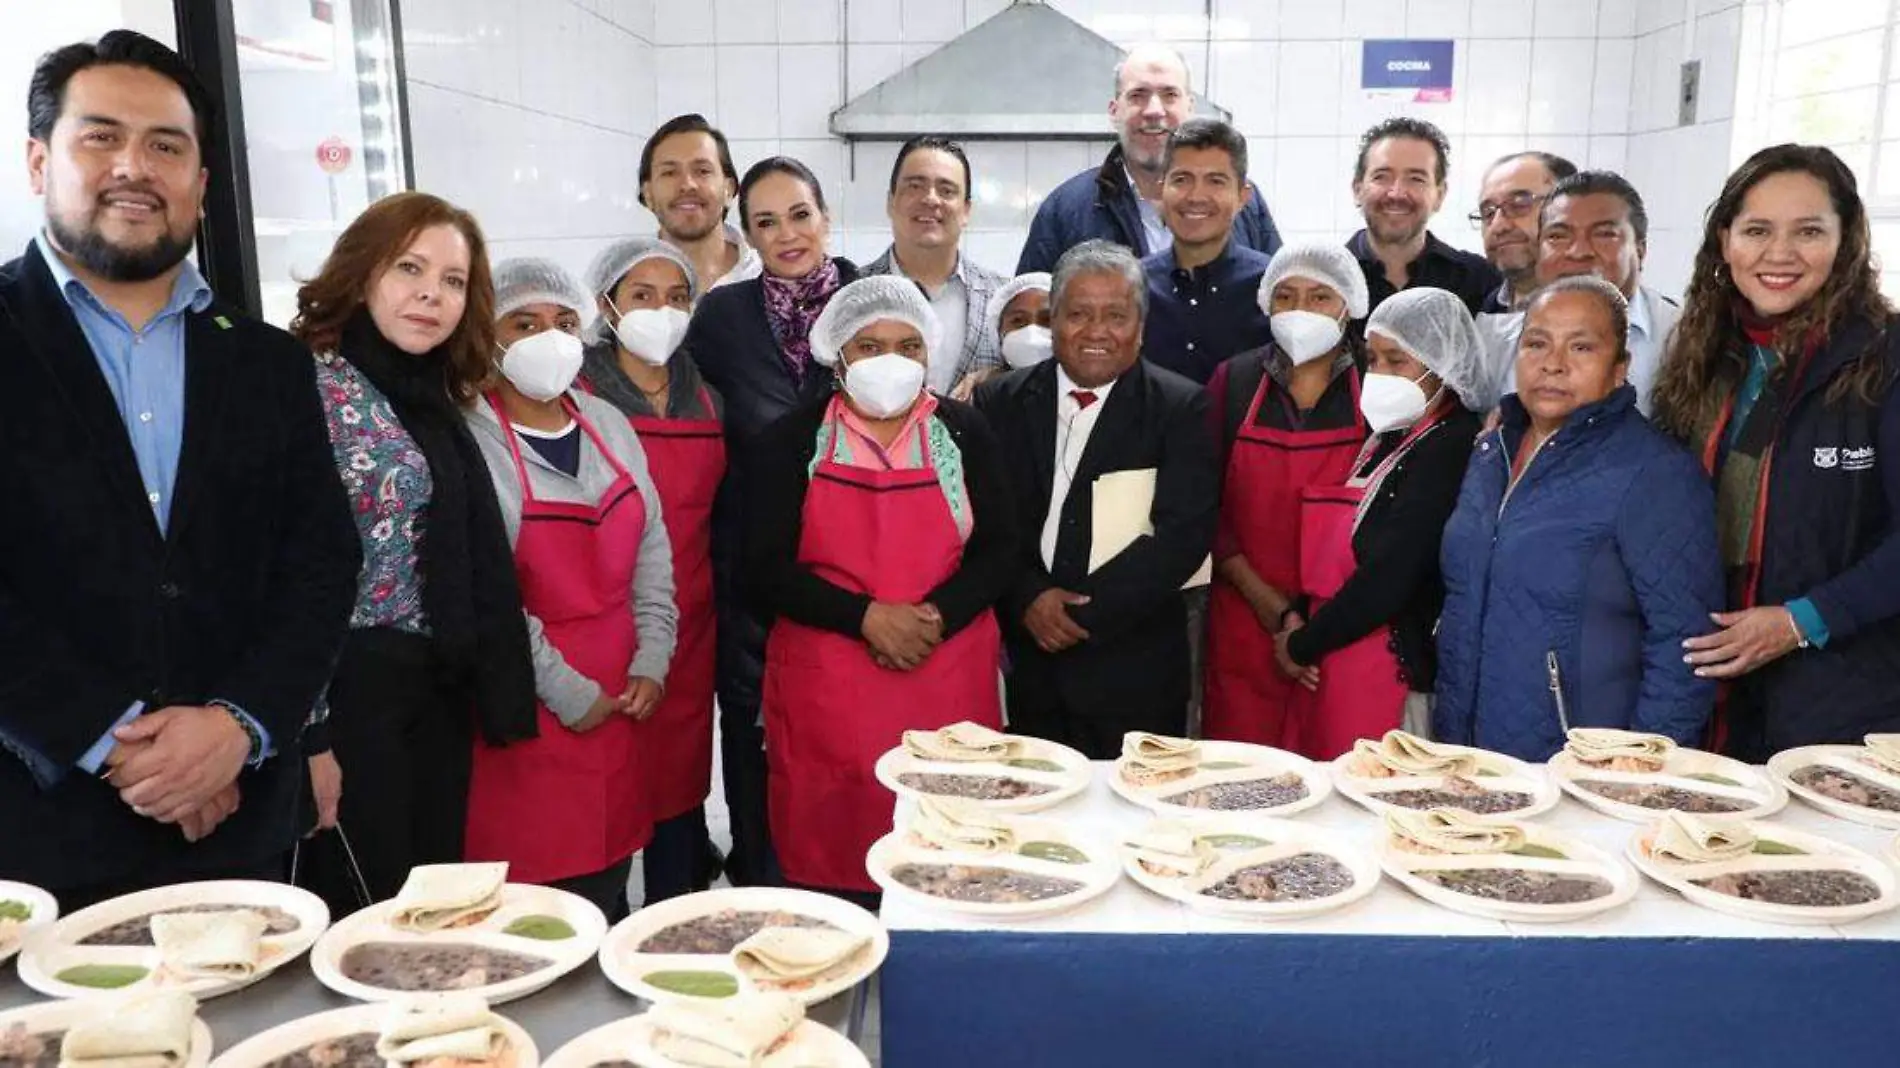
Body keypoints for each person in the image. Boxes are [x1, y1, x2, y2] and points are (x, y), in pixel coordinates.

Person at [0, 31, 358, 905]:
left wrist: (239, 727)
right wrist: (118, 745)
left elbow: (321, 560)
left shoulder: (266, 361)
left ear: (201, 183)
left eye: (167, 145)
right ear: (39, 160)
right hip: (37, 827)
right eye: (101, 136)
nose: (135, 166)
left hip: (242, 820)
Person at [290, 192, 537, 910]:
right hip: (346, 691)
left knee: (432, 907)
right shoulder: (311, 384)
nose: (431, 293)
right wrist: (311, 737)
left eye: (453, 281)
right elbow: (278, 575)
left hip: (433, 688)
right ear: (363, 272)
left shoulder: (434, 394)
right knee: (368, 914)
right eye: (410, 268)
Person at [748, 276, 1017, 898]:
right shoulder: (791, 442)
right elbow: (761, 567)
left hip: (945, 674)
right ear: (836, 354)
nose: (890, 361)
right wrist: (865, 617)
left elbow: (1001, 549)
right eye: (870, 346)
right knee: (834, 855)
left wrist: (934, 616)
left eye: (907, 346)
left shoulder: (964, 434)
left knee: (949, 855)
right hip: (831, 684)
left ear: (930, 354)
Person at [1652, 144, 1900, 760]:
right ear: (1724, 240)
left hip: (1845, 699)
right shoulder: (1705, 353)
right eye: (1757, 230)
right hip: (1709, 684)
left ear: (1847, 242)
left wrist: (1800, 622)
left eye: (1809, 231)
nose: (1779, 254)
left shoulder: (1887, 359)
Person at [461, 258, 677, 920]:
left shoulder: (605, 422)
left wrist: (653, 655)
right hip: (528, 710)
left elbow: (652, 545)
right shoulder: (469, 433)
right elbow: (485, 591)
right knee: (537, 910)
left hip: (622, 700)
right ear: (485, 337)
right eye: (523, 324)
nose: (547, 338)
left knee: (610, 878)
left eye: (562, 323)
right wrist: (566, 690)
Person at [1435, 276, 1721, 761]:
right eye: (1537, 343)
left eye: (1581, 347)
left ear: (1619, 368)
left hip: (1583, 763)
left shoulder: (1654, 471)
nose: (1553, 364)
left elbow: (1686, 644)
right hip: (1468, 752)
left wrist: (1641, 766)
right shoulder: (1492, 450)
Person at [682, 156, 858, 886]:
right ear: (746, 233)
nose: (787, 235)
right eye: (765, 222)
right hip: (752, 565)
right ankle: (760, 882)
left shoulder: (874, 298)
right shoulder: (722, 318)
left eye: (799, 214)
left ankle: (848, 882)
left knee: (843, 736)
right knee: (753, 738)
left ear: (825, 216)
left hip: (855, 560)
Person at [975, 240, 1218, 758]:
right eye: (1078, 314)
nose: (1096, 332)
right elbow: (991, 520)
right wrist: (1029, 600)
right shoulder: (1002, 400)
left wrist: (1080, 617)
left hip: (1134, 667)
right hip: (1028, 660)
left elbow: (1181, 537)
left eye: (1116, 315)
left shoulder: (1181, 407)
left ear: (1142, 327)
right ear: (1054, 320)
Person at [578, 237, 728, 903]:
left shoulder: (710, 400)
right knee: (601, 794)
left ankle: (674, 923)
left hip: (691, 623)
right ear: (607, 305)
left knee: (678, 789)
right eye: (642, 296)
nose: (660, 311)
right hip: (599, 623)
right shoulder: (574, 392)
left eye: (676, 297)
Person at [1274, 289, 1486, 757]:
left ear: (1443, 365)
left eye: (1397, 361)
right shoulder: (1388, 437)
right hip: (1336, 649)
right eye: (1373, 359)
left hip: (1388, 668)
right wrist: (1298, 613)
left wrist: (1302, 644)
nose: (1380, 375)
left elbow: (1394, 573)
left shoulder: (1450, 445)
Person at [1201, 243, 1370, 748]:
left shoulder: (1379, 385)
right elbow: (1205, 510)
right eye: (1286, 296)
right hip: (1244, 622)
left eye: (1320, 297)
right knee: (1241, 780)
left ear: (1351, 305)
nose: (1301, 310)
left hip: (1346, 626)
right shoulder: (1233, 382)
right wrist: (1277, 612)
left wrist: (1317, 629)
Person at [1017, 44, 1280, 274]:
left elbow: (1279, 296)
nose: (1154, 110)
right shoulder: (1065, 210)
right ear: (1114, 111)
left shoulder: (1242, 200)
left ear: (1189, 107)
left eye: (1169, 95)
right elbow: (1029, 315)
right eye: (1138, 95)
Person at [1486, 171, 1682, 415]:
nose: (1578, 252)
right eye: (1558, 236)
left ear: (1640, 251)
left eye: (1604, 234)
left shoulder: (1684, 336)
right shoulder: (1494, 341)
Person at [862, 135, 1006, 399]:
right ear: (890, 202)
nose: (930, 199)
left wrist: (1001, 376)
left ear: (966, 210)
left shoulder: (1004, 299)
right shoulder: (851, 292)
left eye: (947, 190)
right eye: (915, 186)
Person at [1140, 118, 1273, 385]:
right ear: (1160, 191)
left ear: (1242, 197)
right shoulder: (1131, 285)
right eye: (1182, 179)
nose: (1196, 196)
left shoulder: (1274, 288)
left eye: (1215, 181)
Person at [1346, 117, 1500, 317]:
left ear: (1440, 195)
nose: (1397, 193)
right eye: (1381, 176)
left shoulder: (1479, 281)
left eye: (1416, 179)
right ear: (1358, 190)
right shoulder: (1321, 282)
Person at [639, 113, 759, 294]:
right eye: (670, 172)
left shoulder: (769, 278)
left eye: (702, 171)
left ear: (729, 189)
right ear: (648, 194)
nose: (687, 185)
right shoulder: (624, 288)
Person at [1473, 151, 1577, 313]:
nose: (1498, 226)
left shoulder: (1602, 306)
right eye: (1488, 212)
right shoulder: (1480, 305)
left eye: (1520, 204)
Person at [989, 271, 1054, 371]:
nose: (1032, 335)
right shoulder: (979, 385)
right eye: (1018, 320)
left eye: (1047, 320)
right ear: (999, 332)